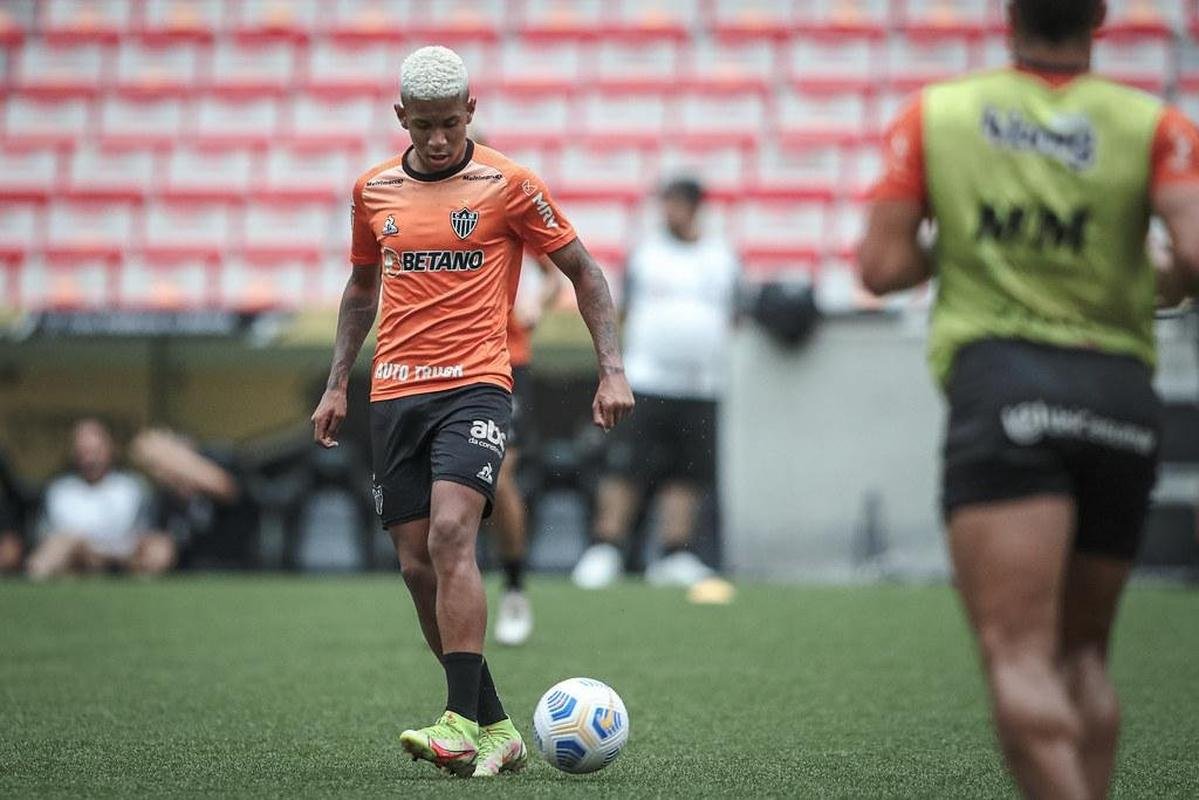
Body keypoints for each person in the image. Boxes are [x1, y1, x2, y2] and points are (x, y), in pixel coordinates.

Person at [859, 2, 1199, 798]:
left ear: (1007, 13)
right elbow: (1189, 263)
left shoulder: (936, 114)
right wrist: (1123, 271)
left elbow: (881, 267)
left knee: (1020, 657)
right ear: (1102, 16)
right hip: (1119, 393)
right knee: (1085, 658)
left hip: (1005, 388)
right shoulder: (1155, 124)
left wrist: (971, 246)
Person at [309, 46, 633, 778]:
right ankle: (494, 726)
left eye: (449, 124)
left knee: (455, 533)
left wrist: (610, 369)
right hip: (392, 392)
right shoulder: (372, 191)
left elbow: (583, 270)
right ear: (400, 117)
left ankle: (455, 721)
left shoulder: (510, 185)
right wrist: (335, 386)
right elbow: (361, 291)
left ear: (471, 113)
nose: (436, 139)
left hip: (476, 384)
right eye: (422, 125)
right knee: (415, 566)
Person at [572, 177, 740, 589]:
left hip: (701, 384)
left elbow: (734, 312)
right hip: (647, 378)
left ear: (696, 207)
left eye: (677, 204)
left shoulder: (722, 258)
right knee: (626, 466)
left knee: (688, 472)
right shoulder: (645, 255)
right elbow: (621, 309)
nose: (669, 212)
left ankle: (675, 553)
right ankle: (606, 547)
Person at [490, 252, 562, 646]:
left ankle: (514, 589)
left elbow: (553, 274)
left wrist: (539, 301)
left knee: (498, 479)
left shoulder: (508, 200)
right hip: (446, 363)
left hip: (506, 362)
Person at [26, 419, 175, 579]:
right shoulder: (59, 489)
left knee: (160, 547)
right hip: (78, 556)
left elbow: (146, 529)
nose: (90, 460)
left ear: (110, 449)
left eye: (96, 451)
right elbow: (44, 534)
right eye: (84, 452)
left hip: (125, 555)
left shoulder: (133, 486)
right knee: (51, 552)